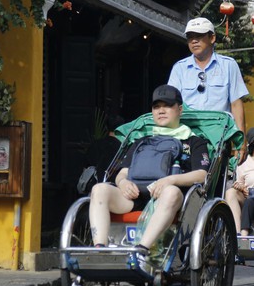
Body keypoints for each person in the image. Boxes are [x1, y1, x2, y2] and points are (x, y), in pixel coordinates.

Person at [89, 85, 210, 263]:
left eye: (167, 105)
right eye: (156, 107)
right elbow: (122, 173)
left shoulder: (194, 141)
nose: (161, 111)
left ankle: (142, 250)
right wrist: (123, 183)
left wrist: (170, 180)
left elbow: (201, 174)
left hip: (172, 201)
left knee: (171, 191)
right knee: (99, 189)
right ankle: (99, 249)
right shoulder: (142, 141)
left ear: (180, 109)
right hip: (135, 197)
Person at [167, 17, 248, 137]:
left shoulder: (228, 65)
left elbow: (236, 104)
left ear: (212, 38)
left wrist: (241, 140)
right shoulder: (179, 68)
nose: (194, 41)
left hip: (220, 135)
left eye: (198, 36)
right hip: (188, 135)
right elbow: (171, 104)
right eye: (190, 37)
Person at [82, 114, 125, 181]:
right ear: (123, 128)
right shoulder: (123, 147)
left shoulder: (95, 144)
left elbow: (87, 165)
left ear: (105, 127)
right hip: (114, 183)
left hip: (94, 183)